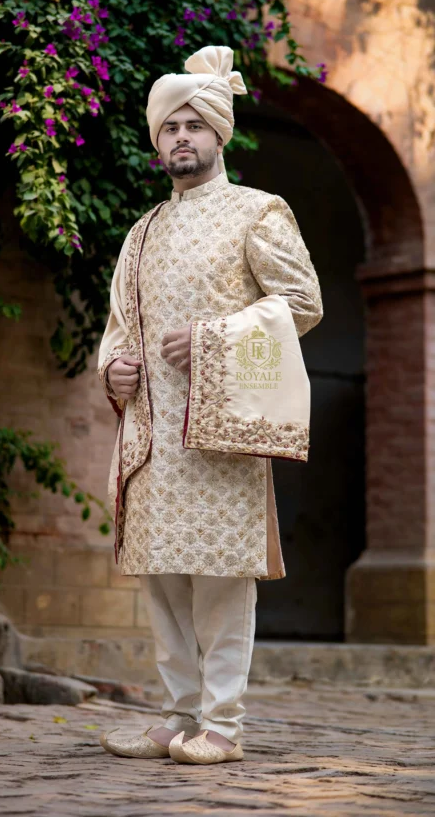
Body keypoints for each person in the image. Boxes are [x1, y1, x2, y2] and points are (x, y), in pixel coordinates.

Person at [97, 46, 323, 766]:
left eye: (194, 125)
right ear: (157, 141)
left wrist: (212, 340)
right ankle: (176, 715)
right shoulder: (142, 232)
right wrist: (114, 371)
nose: (182, 137)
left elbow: (303, 302)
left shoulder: (258, 211)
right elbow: (119, 328)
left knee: (221, 581)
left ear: (218, 134)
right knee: (162, 579)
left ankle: (223, 726)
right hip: (152, 435)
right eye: (170, 127)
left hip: (222, 433)